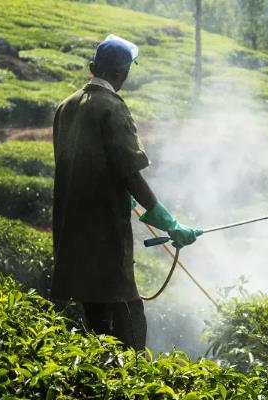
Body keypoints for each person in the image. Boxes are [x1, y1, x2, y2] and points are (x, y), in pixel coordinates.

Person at [51, 34, 200, 351]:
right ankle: (132, 383)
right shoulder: (112, 108)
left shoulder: (66, 107)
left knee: (95, 313)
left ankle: (100, 381)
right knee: (129, 313)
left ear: (94, 67)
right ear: (122, 74)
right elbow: (130, 173)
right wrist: (168, 221)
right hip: (104, 232)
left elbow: (82, 164)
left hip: (72, 231)